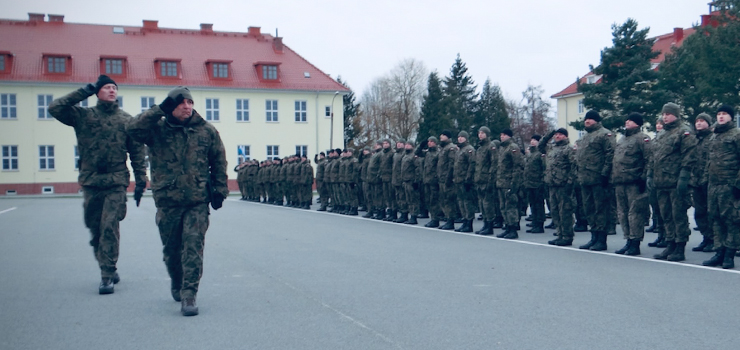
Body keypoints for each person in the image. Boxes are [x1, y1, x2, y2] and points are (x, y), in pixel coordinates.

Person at [127, 86, 228, 316]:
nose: (187, 106)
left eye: (190, 102)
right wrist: (159, 110)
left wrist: (220, 190)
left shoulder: (206, 131)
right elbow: (132, 129)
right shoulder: (156, 130)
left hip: (197, 200)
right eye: (181, 103)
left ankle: (189, 294)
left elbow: (218, 160)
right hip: (168, 200)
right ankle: (177, 280)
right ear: (171, 107)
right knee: (172, 250)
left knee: (193, 246)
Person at [49, 75, 148, 295]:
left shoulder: (126, 120)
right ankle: (107, 263)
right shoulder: (83, 116)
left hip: (115, 181)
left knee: (109, 226)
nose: (112, 91)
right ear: (97, 92)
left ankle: (107, 274)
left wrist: (141, 179)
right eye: (106, 87)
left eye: (114, 87)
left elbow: (137, 152)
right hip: (91, 181)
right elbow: (55, 108)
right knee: (95, 229)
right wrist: (85, 90)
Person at [649, 102, 697, 262]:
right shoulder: (661, 134)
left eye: (668, 114)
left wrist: (684, 178)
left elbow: (689, 156)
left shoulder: (684, 132)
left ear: (676, 115)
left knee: (678, 216)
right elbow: (654, 157)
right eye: (663, 114)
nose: (665, 117)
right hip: (661, 182)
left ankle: (680, 247)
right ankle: (670, 244)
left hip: (676, 182)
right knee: (666, 216)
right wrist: (650, 175)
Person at [703, 105, 740, 269]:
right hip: (714, 185)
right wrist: (706, 180)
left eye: (724, 114)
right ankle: (719, 251)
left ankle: (729, 254)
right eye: (718, 114)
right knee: (715, 218)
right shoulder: (713, 136)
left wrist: (738, 184)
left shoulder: (736, 135)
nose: (721, 116)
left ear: (731, 116)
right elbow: (708, 161)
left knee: (731, 220)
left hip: (729, 184)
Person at [575, 111, 615, 251]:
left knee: (600, 209)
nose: (587, 121)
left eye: (590, 119)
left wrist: (605, 174)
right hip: (585, 179)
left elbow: (610, 154)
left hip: (598, 178)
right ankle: (594, 237)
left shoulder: (605, 134)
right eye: (586, 119)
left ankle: (601, 239)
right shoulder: (585, 137)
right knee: (589, 209)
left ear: (597, 121)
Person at [612, 113, 651, 256]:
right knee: (622, 213)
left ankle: (635, 242)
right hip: (620, 181)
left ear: (638, 123)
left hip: (634, 182)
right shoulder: (622, 139)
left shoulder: (642, 139)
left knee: (635, 213)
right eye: (627, 120)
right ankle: (628, 239)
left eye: (631, 120)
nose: (627, 122)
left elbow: (648, 159)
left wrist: (643, 178)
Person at [540, 128, 577, 246]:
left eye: (560, 134)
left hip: (563, 185)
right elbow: (541, 145)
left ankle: (567, 236)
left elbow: (574, 167)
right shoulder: (551, 148)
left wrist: (570, 183)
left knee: (565, 211)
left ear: (566, 136)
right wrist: (549, 133)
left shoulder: (569, 149)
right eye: (556, 134)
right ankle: (560, 234)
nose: (557, 136)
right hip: (552, 184)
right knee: (555, 211)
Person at [689, 113, 714, 252]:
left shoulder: (712, 139)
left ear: (708, 123)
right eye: (697, 121)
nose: (699, 123)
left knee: (711, 213)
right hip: (696, 181)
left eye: (702, 121)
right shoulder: (695, 140)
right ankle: (706, 237)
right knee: (699, 212)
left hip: (709, 181)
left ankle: (713, 239)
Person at [495, 128, 524, 239]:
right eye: (501, 134)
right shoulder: (502, 148)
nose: (502, 136)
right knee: (503, 207)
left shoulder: (513, 148)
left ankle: (513, 229)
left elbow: (518, 166)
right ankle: (507, 227)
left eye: (504, 135)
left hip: (509, 182)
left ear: (509, 136)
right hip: (501, 182)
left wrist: (514, 184)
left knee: (510, 207)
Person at [474, 127, 497, 235]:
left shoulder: (490, 146)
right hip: (479, 179)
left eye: (482, 133)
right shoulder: (480, 148)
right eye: (479, 133)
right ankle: (485, 224)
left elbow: (494, 163)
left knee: (488, 204)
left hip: (487, 179)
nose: (480, 135)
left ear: (487, 134)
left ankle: (490, 225)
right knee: (482, 203)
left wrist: (490, 179)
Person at [453, 131, 476, 232]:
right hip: (458, 180)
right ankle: (465, 220)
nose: (460, 138)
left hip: (465, 180)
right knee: (461, 202)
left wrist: (468, 179)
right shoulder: (459, 150)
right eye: (459, 137)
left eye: (462, 137)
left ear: (466, 138)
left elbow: (472, 164)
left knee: (467, 202)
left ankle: (469, 223)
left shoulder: (469, 149)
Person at [523, 135, 546, 234]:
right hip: (529, 183)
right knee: (532, 204)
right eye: (532, 140)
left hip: (538, 183)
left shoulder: (540, 154)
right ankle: (535, 222)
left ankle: (540, 224)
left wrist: (542, 181)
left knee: (538, 204)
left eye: (535, 140)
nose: (533, 142)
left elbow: (544, 168)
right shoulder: (530, 154)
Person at [437, 130, 459, 230]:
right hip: (441, 178)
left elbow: (451, 164)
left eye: (443, 135)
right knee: (444, 200)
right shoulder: (443, 148)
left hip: (447, 178)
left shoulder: (451, 148)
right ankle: (447, 218)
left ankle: (451, 220)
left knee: (449, 200)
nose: (441, 137)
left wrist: (449, 178)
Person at [420, 137, 443, 227]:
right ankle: (433, 218)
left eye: (431, 142)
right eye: (428, 141)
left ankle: (435, 219)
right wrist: (421, 145)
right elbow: (417, 153)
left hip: (434, 180)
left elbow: (439, 167)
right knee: (429, 200)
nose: (429, 143)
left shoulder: (437, 153)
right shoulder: (427, 153)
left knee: (434, 201)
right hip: (427, 180)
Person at [401, 140, 422, 224]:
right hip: (405, 180)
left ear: (412, 146)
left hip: (411, 181)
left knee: (413, 200)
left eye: (409, 145)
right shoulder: (405, 156)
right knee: (408, 199)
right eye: (406, 145)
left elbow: (418, 169)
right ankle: (408, 215)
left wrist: (416, 180)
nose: (406, 146)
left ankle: (414, 216)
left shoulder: (414, 156)